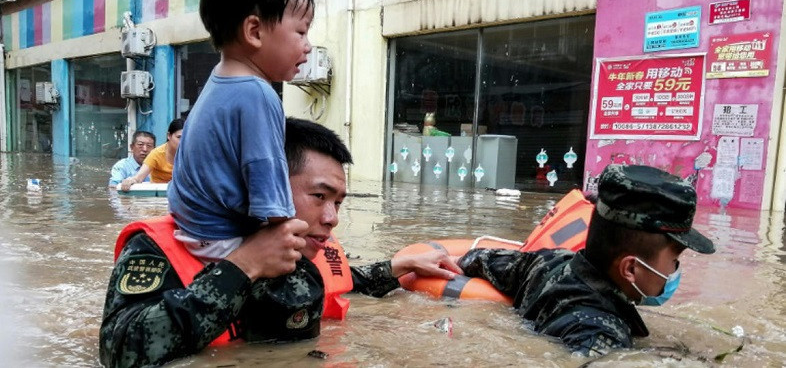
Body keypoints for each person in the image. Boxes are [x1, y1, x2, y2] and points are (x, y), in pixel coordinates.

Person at [99, 118, 460, 367]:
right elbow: (120, 351)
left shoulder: (305, 246)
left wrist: (401, 267)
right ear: (263, 184)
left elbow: (345, 282)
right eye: (320, 196)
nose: (332, 217)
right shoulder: (161, 247)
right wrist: (243, 266)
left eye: (339, 202)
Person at [458, 164, 715, 356]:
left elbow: (476, 258)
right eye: (674, 260)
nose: (675, 271)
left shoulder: (547, 261)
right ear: (630, 268)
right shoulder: (601, 336)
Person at [167, 0, 314, 264]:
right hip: (223, 240)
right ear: (255, 32)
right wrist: (294, 233)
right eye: (301, 31)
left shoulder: (219, 82)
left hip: (193, 230)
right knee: (305, 269)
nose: (308, 45)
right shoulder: (258, 93)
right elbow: (269, 188)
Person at [120, 119, 183, 190]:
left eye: (186, 137)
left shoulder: (192, 154)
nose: (183, 141)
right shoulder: (156, 154)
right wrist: (130, 181)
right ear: (169, 136)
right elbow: (139, 177)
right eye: (179, 137)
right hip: (158, 195)